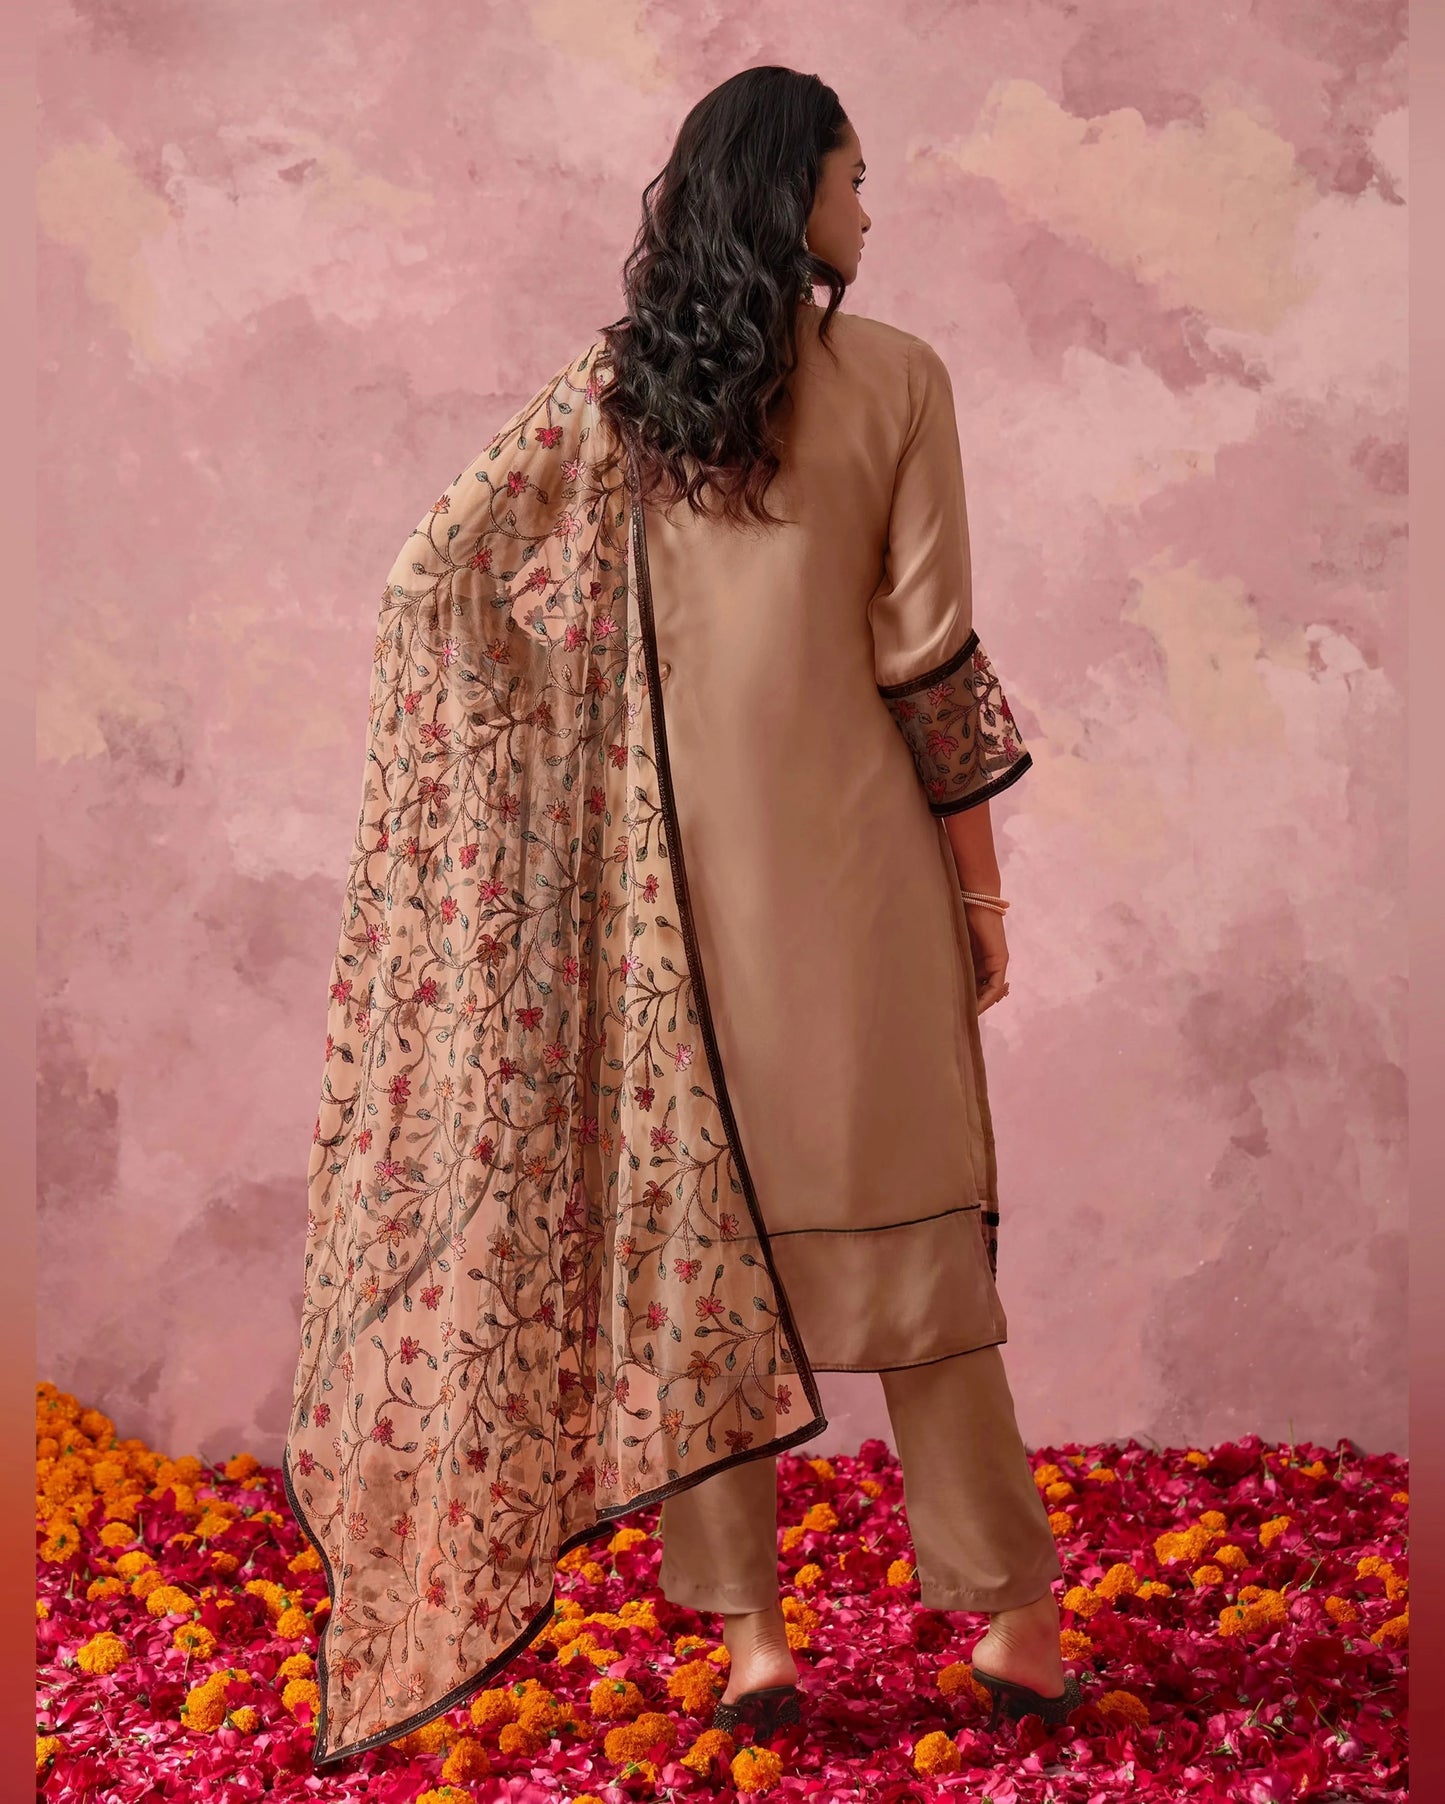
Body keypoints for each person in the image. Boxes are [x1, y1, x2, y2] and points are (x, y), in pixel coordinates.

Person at [283, 64, 1081, 1770]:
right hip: (860, 883)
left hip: (668, 918)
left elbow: (431, 579)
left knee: (695, 1275)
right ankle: (1013, 1616)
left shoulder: (626, 396)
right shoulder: (901, 382)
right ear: (794, 196)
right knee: (919, 1252)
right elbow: (923, 654)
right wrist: (983, 893)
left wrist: (554, 758)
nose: (869, 212)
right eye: (855, 181)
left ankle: (750, 1643)